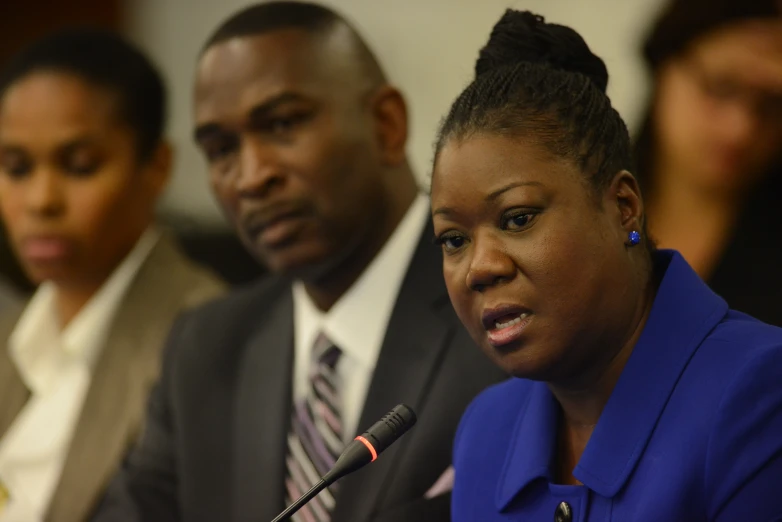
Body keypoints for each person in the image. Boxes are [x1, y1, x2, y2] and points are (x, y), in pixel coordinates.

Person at [93, 3, 505, 522]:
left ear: (386, 124)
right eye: (221, 149)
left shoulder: (502, 305)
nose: (250, 176)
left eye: (283, 124)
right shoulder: (205, 348)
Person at [430, 10, 782, 521]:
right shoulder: (486, 429)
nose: (479, 268)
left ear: (623, 209)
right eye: (454, 239)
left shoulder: (758, 392)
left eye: (519, 218)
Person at [0, 29, 226, 522]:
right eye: (16, 168)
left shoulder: (205, 335)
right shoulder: (11, 330)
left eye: (79, 166)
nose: (41, 200)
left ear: (156, 167)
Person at [635, 0, 782, 326]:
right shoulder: (580, 196)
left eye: (772, 104)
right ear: (665, 65)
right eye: (721, 86)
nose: (740, 128)